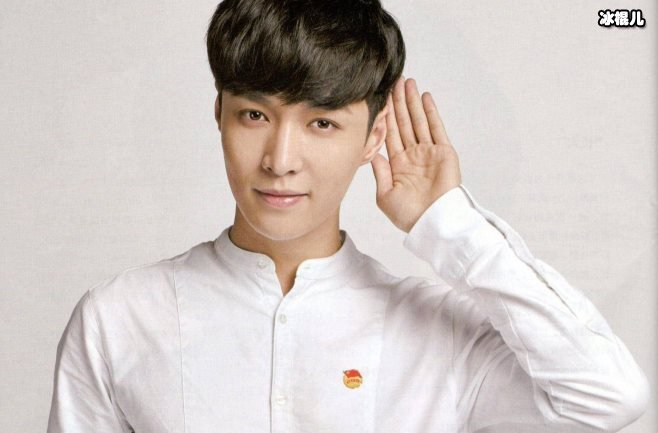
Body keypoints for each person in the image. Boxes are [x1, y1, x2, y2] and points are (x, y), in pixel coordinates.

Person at [46, 1, 650, 432]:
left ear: (374, 136)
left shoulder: (442, 336)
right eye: (254, 115)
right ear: (219, 114)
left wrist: (448, 224)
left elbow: (606, 398)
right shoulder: (119, 318)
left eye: (322, 123)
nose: (280, 160)